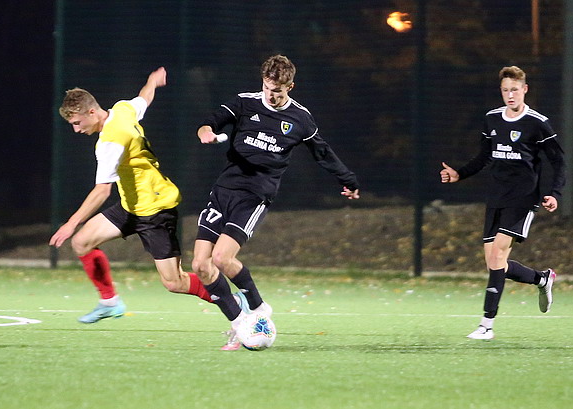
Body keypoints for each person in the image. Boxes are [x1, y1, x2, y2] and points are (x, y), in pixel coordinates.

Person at [192, 54, 360, 350]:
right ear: (263, 82)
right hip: (223, 190)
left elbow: (322, 152)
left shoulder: (300, 118)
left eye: (278, 91)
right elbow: (211, 121)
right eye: (268, 88)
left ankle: (258, 307)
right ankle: (240, 323)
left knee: (221, 259)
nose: (271, 95)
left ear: (290, 87)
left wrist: (347, 179)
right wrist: (206, 131)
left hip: (254, 195)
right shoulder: (245, 102)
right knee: (200, 266)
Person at [50, 67, 212, 323]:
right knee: (82, 242)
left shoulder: (110, 142)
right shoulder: (122, 110)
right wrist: (152, 81)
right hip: (131, 206)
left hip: (156, 208)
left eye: (77, 123)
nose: (76, 130)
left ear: (92, 112)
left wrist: (71, 223)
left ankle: (233, 300)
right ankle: (110, 302)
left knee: (175, 282)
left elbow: (102, 190)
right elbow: (144, 98)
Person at [440, 65, 566, 340]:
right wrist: (459, 174)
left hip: (524, 198)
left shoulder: (537, 123)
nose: (510, 95)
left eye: (515, 90)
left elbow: (558, 162)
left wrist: (555, 193)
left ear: (525, 90)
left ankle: (486, 324)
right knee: (494, 264)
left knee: (498, 255)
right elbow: (484, 156)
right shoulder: (492, 119)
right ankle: (542, 279)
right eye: (505, 90)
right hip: (497, 196)